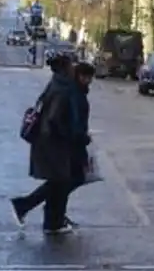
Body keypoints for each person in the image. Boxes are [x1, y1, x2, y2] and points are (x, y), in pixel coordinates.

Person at [10, 57, 95, 235]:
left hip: (53, 142)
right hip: (56, 144)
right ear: (66, 69)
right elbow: (56, 119)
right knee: (64, 180)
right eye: (71, 66)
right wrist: (75, 137)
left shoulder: (59, 84)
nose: (74, 68)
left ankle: (52, 217)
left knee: (64, 180)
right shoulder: (64, 89)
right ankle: (43, 214)